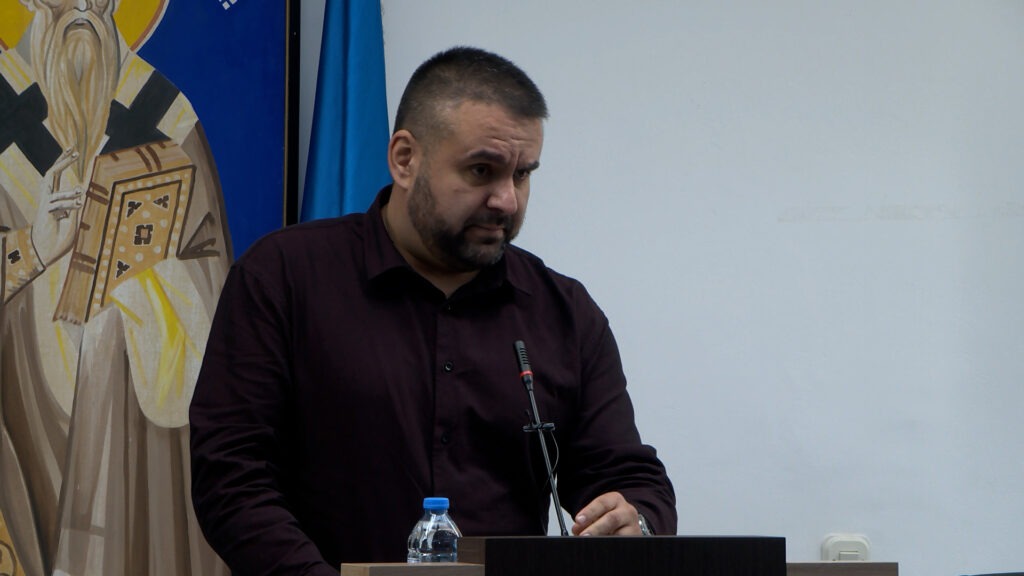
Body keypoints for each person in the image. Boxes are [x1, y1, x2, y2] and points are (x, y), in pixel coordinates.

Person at [189, 46, 676, 574]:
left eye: (522, 174)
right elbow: (232, 478)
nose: (507, 200)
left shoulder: (564, 313)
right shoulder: (283, 278)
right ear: (405, 159)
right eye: (482, 170)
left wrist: (634, 521)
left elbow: (626, 477)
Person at [0, 0, 230, 574]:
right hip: (17, 425)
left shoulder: (166, 116)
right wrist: (35, 248)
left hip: (135, 444)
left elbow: (212, 268)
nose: (82, 7)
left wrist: (139, 294)